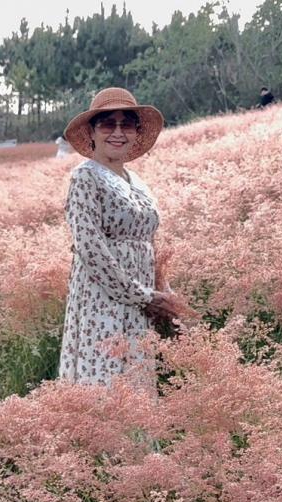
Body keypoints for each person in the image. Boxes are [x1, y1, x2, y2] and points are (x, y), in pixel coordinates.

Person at [59, 87, 186, 389]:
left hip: (141, 304)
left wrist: (163, 291)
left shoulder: (137, 182)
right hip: (103, 302)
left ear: (135, 132)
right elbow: (91, 250)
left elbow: (148, 242)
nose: (118, 132)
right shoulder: (84, 177)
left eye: (126, 123)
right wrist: (143, 296)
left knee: (136, 386)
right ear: (92, 131)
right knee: (106, 381)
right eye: (107, 123)